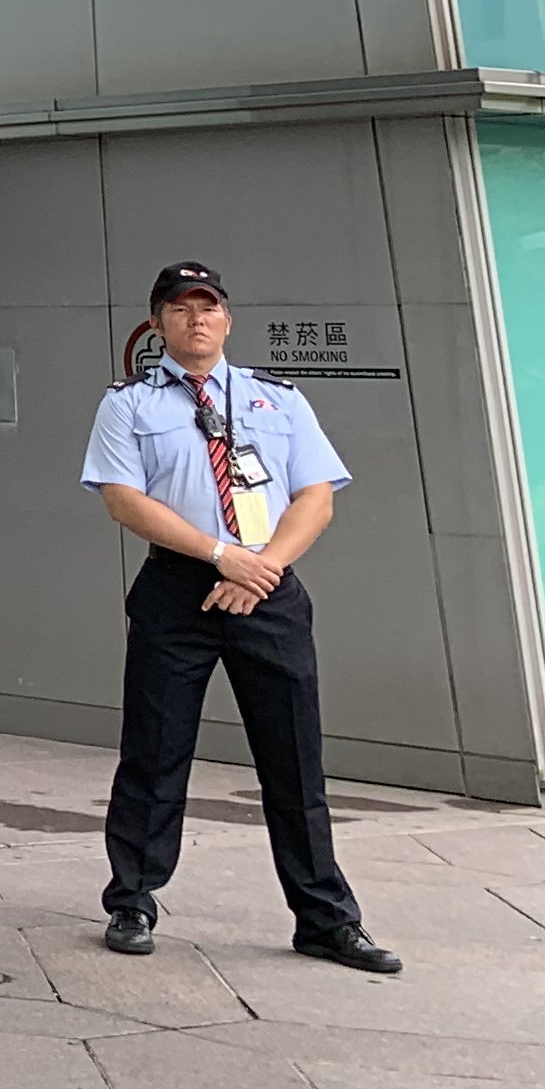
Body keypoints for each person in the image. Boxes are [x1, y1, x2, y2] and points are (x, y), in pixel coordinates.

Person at [82, 259, 402, 974]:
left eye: (209, 307)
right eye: (181, 308)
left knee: (294, 760)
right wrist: (221, 556)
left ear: (227, 319)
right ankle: (132, 901)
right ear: (158, 323)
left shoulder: (278, 398)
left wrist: (262, 569)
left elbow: (316, 496)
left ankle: (325, 919)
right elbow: (123, 500)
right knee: (155, 752)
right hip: (180, 588)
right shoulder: (129, 404)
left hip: (268, 589)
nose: (197, 319)